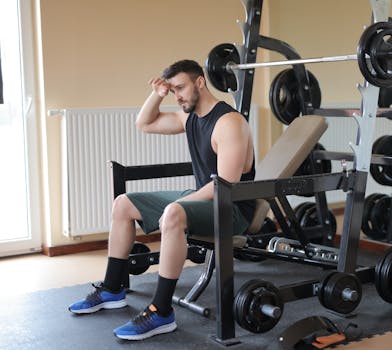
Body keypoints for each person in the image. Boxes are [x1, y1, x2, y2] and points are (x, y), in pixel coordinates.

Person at [68, 59, 256, 340]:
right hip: (202, 197)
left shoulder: (229, 122)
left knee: (173, 213)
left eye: (180, 88)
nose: (176, 96)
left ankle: (161, 310)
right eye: (173, 91)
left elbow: (225, 185)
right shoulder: (189, 118)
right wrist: (157, 94)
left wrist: (181, 204)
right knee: (123, 204)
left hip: (232, 208)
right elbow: (143, 124)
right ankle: (111, 289)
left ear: (200, 82)